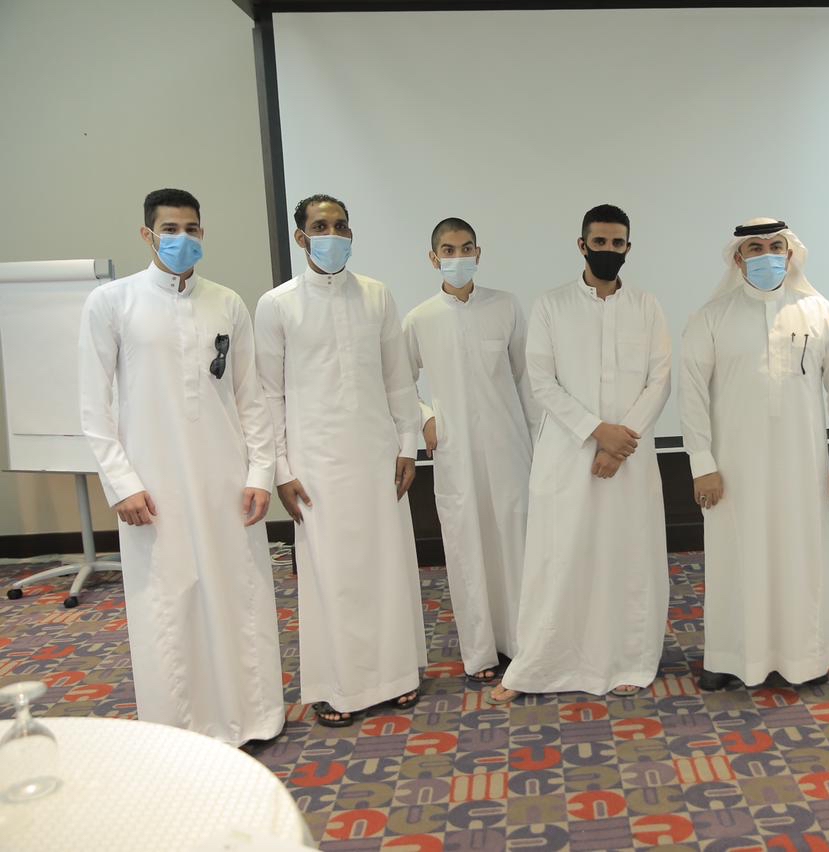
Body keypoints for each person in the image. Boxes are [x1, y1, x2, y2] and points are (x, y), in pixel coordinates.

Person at [79, 188, 284, 746]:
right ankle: (179, 733)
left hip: (226, 480)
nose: (182, 239)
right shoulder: (111, 303)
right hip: (153, 484)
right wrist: (122, 484)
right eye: (170, 229)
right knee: (168, 602)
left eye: (192, 229)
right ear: (147, 235)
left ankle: (253, 717)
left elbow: (251, 398)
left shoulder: (227, 303)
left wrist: (259, 474)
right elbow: (94, 408)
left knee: (238, 592)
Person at [487, 204, 671, 704]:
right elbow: (542, 381)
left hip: (630, 457)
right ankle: (540, 663)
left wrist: (620, 441)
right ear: (582, 244)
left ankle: (629, 659)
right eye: (600, 242)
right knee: (559, 556)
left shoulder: (647, 306)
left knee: (627, 556)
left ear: (628, 248)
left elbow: (660, 380)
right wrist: (597, 432)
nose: (608, 250)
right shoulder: (551, 305)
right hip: (567, 454)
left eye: (617, 243)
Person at [255, 194, 426, 727]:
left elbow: (398, 379)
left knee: (385, 564)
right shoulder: (277, 304)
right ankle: (338, 685)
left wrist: (408, 444)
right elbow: (268, 394)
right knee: (331, 573)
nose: (333, 235)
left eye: (341, 226)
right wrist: (281, 470)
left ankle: (396, 674)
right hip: (315, 461)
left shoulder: (376, 295)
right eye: (321, 226)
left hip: (377, 453)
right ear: (301, 237)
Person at [680, 219, 829, 691]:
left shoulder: (820, 312)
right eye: (755, 248)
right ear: (738, 259)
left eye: (775, 246)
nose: (767, 255)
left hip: (803, 466)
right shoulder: (711, 317)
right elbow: (691, 395)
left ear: (790, 253)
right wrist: (702, 464)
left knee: (801, 557)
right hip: (733, 468)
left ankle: (805, 657)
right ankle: (728, 656)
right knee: (734, 557)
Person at [402, 217, 538, 684]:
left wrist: (539, 444)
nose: (457, 257)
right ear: (433, 257)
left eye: (465, 248)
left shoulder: (506, 306)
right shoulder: (419, 319)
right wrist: (425, 417)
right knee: (467, 546)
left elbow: (526, 378)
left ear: (478, 253)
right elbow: (399, 383)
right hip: (455, 452)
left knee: (515, 542)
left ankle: (524, 644)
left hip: (509, 446)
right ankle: (480, 652)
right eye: (448, 249)